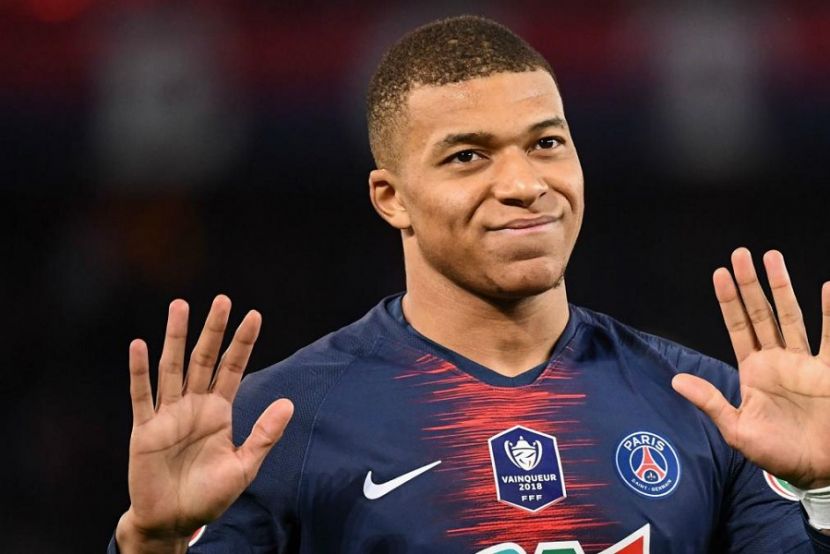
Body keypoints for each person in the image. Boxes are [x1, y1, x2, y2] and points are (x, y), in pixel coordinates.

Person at [109, 15, 830, 553]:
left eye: (546, 143)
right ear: (391, 198)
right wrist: (153, 543)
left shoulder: (711, 408)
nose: (523, 183)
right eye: (467, 156)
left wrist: (823, 494)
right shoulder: (276, 426)